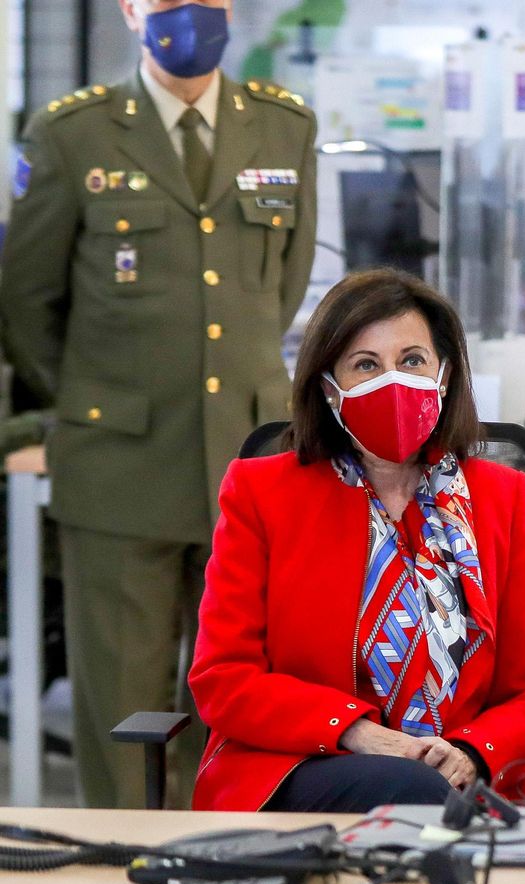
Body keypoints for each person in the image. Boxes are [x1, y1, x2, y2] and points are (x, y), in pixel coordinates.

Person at [0, 0, 318, 808]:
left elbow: (280, 290)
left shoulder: (284, 128)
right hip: (119, 465)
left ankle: (239, 865)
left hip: (251, 461)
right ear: (131, 10)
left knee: (246, 700)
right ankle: (126, 869)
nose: (190, 11)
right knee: (124, 707)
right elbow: (26, 303)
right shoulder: (72, 132)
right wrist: (92, 398)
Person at [187, 270, 525, 812]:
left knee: (430, 795)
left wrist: (471, 751)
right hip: (302, 764)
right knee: (415, 792)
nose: (392, 381)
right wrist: (357, 733)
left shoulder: (501, 497)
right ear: (329, 389)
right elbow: (223, 678)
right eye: (365, 365)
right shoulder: (261, 491)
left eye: (412, 360)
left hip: (465, 779)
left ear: (444, 376)